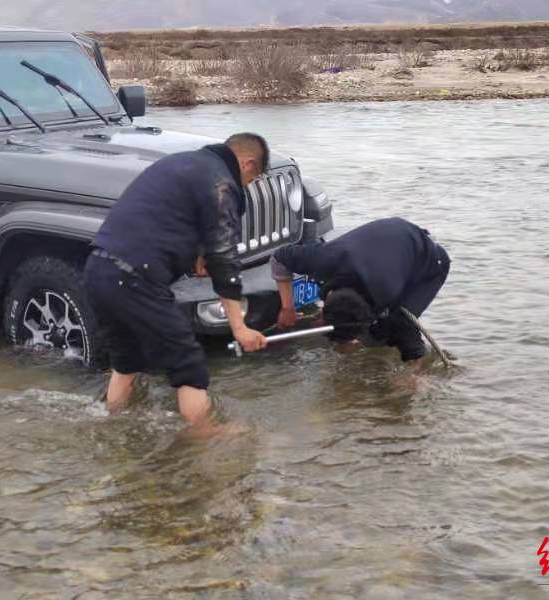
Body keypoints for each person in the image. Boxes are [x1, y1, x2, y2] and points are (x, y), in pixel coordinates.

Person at [84, 133, 270, 424]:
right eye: (252, 179)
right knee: (189, 363)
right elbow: (224, 258)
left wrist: (195, 253)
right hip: (135, 278)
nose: (246, 185)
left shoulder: (181, 163)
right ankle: (205, 441)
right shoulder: (222, 182)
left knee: (126, 359)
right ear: (247, 164)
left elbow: (163, 216)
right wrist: (239, 327)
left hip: (98, 269)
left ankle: (111, 422)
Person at [270, 217, 450, 361]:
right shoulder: (323, 258)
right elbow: (278, 258)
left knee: (385, 332)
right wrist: (288, 307)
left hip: (432, 262)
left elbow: (407, 332)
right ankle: (348, 338)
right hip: (386, 242)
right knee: (356, 330)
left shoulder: (387, 293)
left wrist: (412, 375)